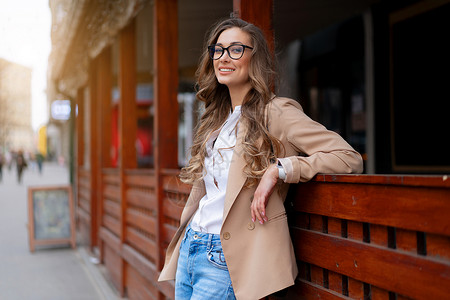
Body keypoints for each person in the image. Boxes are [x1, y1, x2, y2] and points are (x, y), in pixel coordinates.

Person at [158, 18, 363, 300]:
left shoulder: (277, 113)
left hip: (226, 257)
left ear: (255, 58)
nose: (223, 57)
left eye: (236, 49)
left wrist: (279, 169)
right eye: (217, 50)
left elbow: (348, 157)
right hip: (191, 247)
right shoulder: (216, 120)